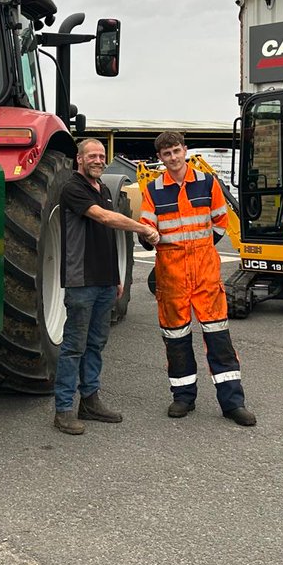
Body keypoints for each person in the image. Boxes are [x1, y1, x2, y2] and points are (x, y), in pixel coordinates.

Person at [141, 131, 256, 427]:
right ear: (160, 158)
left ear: (185, 151)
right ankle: (183, 397)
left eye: (177, 151)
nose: (173, 157)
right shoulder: (153, 189)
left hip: (204, 275)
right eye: (167, 154)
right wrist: (150, 236)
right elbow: (146, 227)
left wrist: (202, 250)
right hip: (172, 277)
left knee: (219, 338)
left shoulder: (207, 183)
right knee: (176, 340)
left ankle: (233, 403)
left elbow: (220, 221)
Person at [54, 138, 160, 435]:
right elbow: (102, 218)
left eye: (102, 156)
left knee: (96, 344)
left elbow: (107, 238)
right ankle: (63, 410)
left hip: (103, 281)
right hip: (81, 281)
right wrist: (142, 227)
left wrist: (116, 278)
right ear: (79, 159)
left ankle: (89, 400)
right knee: (74, 346)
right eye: (92, 156)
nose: (98, 160)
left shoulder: (104, 191)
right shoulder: (73, 188)